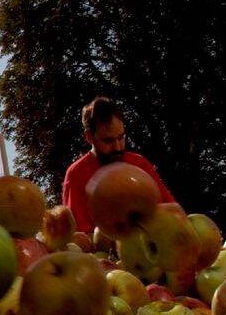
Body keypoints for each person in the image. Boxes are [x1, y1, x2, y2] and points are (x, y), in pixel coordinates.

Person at [60, 96, 174, 233]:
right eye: (108, 141)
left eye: (121, 137)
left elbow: (171, 210)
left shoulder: (139, 164)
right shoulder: (76, 175)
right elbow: (80, 236)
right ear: (89, 137)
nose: (118, 147)